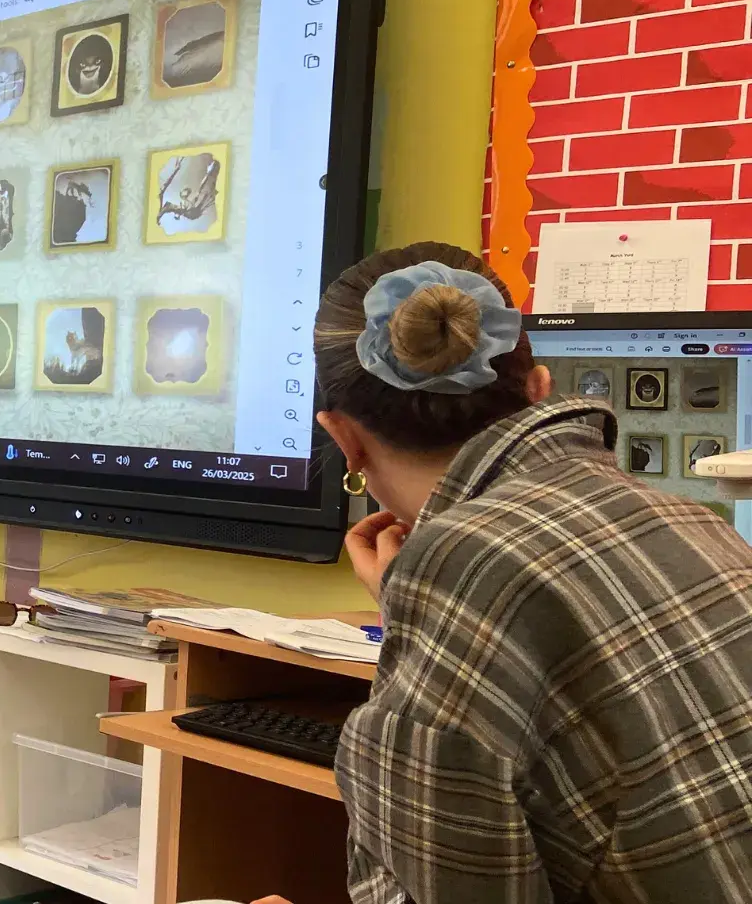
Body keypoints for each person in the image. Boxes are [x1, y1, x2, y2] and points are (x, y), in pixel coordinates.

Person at [253, 242, 752, 904]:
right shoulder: (695, 521)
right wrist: (415, 606)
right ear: (540, 388)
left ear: (344, 438)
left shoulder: (456, 574)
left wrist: (424, 600)